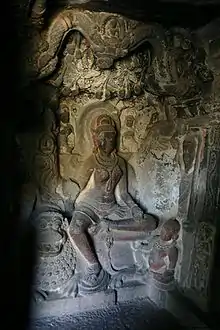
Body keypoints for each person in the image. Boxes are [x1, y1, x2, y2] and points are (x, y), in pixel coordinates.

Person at [68, 114, 157, 289]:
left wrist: (134, 208)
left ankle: (109, 225)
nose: (109, 140)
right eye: (104, 136)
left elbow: (123, 194)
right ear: (97, 139)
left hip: (111, 208)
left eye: (111, 136)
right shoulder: (90, 161)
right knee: (75, 229)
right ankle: (94, 266)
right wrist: (70, 207)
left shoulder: (120, 163)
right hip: (88, 206)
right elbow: (77, 189)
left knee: (150, 222)